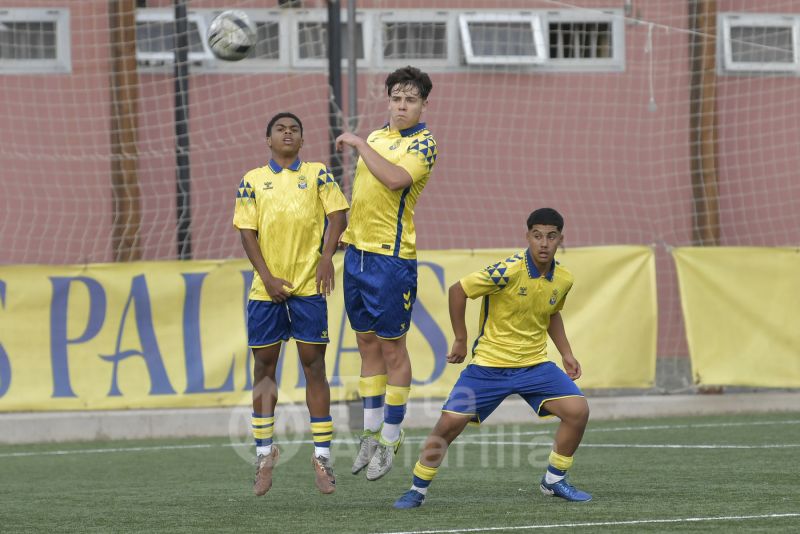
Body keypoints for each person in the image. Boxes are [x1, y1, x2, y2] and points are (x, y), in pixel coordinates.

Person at [393, 208, 592, 509]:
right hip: (488, 366)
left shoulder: (563, 278)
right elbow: (457, 290)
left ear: (560, 240)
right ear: (527, 237)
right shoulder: (507, 270)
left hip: (534, 365)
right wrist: (460, 338)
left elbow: (552, 313)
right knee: (449, 424)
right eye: (537, 236)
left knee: (578, 411)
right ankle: (417, 489)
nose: (544, 243)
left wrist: (566, 353)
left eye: (551, 237)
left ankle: (553, 480)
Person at [233, 112, 349, 496]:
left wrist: (326, 257)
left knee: (313, 366)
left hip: (308, 288)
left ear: (302, 140)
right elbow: (247, 232)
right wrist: (266, 277)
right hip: (266, 291)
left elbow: (338, 215)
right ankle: (264, 455)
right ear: (268, 139)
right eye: (280, 129)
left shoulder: (317, 174)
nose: (287, 133)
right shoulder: (252, 180)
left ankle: (322, 456)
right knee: (264, 368)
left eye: (294, 129)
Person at [335, 66, 438, 481]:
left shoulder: (425, 143)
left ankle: (392, 437)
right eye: (396, 97)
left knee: (393, 349)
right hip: (356, 255)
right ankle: (371, 431)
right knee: (365, 344)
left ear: (423, 105)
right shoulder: (378, 137)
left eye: (410, 99)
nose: (401, 105)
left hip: (391, 260)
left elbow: (395, 180)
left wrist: (359, 143)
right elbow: (364, 193)